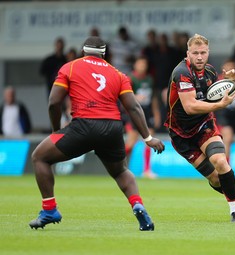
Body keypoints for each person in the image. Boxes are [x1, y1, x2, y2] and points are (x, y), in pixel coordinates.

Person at [28, 36, 165, 231]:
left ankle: (49, 210)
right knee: (120, 171)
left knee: (39, 157)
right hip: (112, 128)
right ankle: (137, 204)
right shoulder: (118, 74)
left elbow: (54, 102)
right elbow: (133, 107)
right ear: (104, 54)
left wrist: (55, 130)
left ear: (83, 52)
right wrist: (148, 138)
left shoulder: (70, 67)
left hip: (83, 126)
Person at [164, 34, 235, 223]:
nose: (199, 57)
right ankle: (233, 194)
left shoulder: (211, 71)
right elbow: (190, 106)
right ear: (188, 53)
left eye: (203, 52)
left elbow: (214, 90)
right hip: (181, 135)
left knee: (220, 161)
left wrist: (227, 80)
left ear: (208, 52)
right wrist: (220, 105)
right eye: (195, 53)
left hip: (204, 125)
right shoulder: (181, 72)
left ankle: (234, 211)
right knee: (214, 178)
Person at [125, 56, 161, 179]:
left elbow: (154, 98)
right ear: (135, 65)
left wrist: (156, 113)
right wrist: (135, 97)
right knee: (130, 143)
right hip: (135, 113)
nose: (142, 66)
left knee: (149, 141)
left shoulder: (149, 79)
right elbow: (124, 96)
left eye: (144, 64)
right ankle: (118, 166)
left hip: (147, 113)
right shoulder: (130, 79)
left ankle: (146, 170)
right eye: (140, 64)